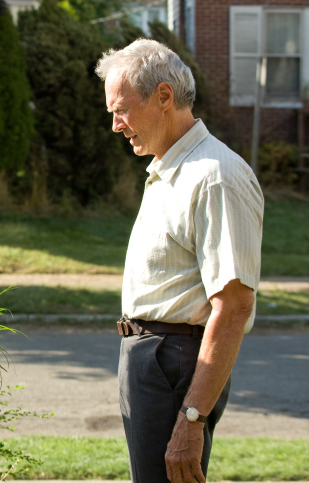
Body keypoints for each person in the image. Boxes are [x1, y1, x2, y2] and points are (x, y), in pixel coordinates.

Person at [95, 39, 263, 483]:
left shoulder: (214, 177)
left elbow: (234, 306)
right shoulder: (172, 168)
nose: (115, 125)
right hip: (152, 359)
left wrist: (192, 418)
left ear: (164, 97)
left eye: (122, 110)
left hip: (175, 364)